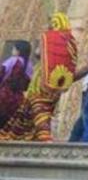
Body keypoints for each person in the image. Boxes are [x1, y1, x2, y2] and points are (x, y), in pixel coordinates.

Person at [0, 12, 78, 141]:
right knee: (30, 110)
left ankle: (44, 137)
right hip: (55, 84)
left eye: (50, 25)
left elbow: (37, 54)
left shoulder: (51, 39)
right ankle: (31, 136)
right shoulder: (71, 43)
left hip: (41, 83)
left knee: (39, 107)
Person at [0, 40, 33, 129]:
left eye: (14, 48)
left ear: (18, 51)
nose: (12, 50)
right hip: (18, 99)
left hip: (4, 95)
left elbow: (2, 73)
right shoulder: (30, 65)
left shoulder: (12, 60)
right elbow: (27, 85)